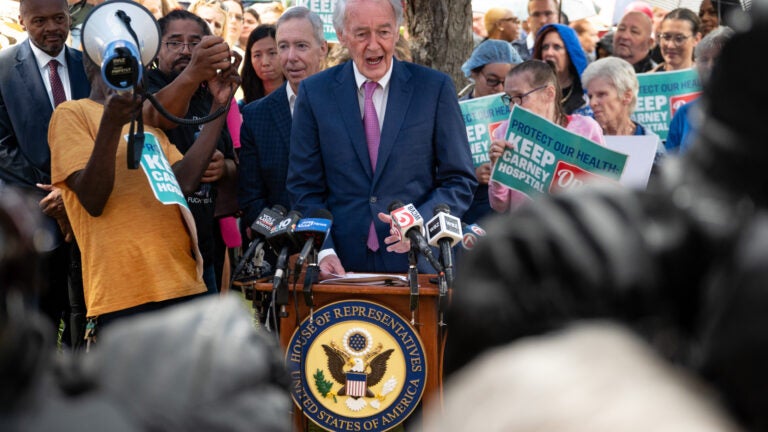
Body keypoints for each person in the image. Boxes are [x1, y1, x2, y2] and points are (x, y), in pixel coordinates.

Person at [48, 39, 238, 328]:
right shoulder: (71, 114)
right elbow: (92, 199)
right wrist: (111, 124)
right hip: (124, 294)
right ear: (90, 68)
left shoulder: (150, 124)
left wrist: (219, 106)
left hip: (183, 283)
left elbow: (184, 183)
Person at [287, 0, 477, 276]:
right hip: (340, 267)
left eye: (384, 32)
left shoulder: (434, 89)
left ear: (398, 31)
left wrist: (418, 226)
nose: (374, 45)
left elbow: (459, 180)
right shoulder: (314, 93)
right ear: (341, 35)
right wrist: (323, 248)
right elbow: (304, 187)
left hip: (418, 264)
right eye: (362, 33)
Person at [0, 0, 90, 346]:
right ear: (22, 21)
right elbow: (2, 146)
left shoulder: (90, 66)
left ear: (70, 17)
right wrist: (50, 192)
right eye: (39, 20)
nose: (51, 27)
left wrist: (71, 192)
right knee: (41, 315)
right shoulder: (4, 68)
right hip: (35, 214)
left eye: (58, 18)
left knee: (85, 314)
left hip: (89, 207)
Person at [142, 10, 239, 294]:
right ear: (156, 48)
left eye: (195, 43)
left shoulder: (210, 92)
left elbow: (234, 165)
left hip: (202, 249)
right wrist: (195, 70)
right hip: (156, 250)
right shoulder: (145, 86)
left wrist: (224, 169)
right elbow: (161, 116)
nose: (186, 51)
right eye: (174, 42)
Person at [238, 7, 327, 234]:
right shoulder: (256, 115)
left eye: (301, 46)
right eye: (283, 47)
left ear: (323, 49)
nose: (291, 57)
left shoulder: (352, 105)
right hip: (280, 253)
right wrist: (282, 239)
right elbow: (250, 200)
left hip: (344, 248)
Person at [488, 60, 604, 213]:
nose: (513, 106)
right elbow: (500, 206)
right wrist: (497, 170)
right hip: (528, 228)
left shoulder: (586, 129)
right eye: (509, 98)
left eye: (520, 96)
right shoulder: (505, 131)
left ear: (549, 93)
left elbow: (602, 192)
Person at [460, 40, 522, 224]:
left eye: (507, 82)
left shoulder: (517, 109)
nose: (500, 89)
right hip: (473, 207)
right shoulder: (457, 111)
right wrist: (473, 174)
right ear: (474, 73)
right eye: (492, 81)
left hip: (511, 208)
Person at [582, 56, 665, 163]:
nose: (592, 103)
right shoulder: (582, 138)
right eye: (590, 96)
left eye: (601, 94)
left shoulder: (652, 146)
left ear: (627, 96)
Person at [665, 26, 734, 154]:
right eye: (703, 60)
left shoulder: (756, 114)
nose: (710, 66)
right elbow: (670, 162)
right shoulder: (684, 113)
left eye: (718, 59)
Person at [532, 23, 590, 115]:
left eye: (557, 47)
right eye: (545, 47)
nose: (549, 53)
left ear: (570, 53)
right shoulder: (531, 89)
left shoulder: (584, 92)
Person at [239, 24, 283, 106]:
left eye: (272, 53)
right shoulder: (243, 107)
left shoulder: (299, 97)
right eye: (257, 55)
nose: (265, 62)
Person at [652, 8, 702, 72]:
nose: (670, 45)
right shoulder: (647, 79)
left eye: (679, 38)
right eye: (666, 37)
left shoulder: (708, 79)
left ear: (696, 39)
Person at [613, 4, 657, 73]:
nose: (625, 36)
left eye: (634, 32)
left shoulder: (656, 76)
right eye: (621, 29)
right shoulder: (601, 69)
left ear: (649, 42)